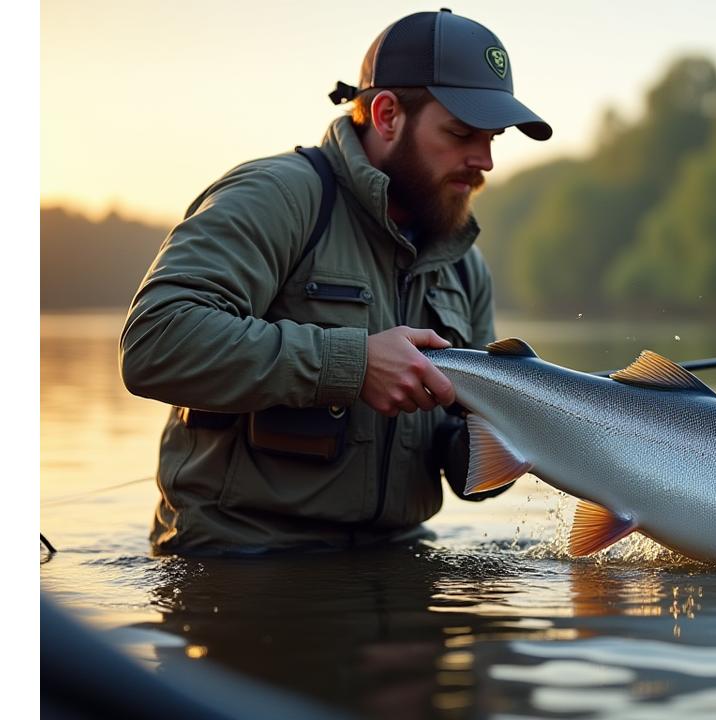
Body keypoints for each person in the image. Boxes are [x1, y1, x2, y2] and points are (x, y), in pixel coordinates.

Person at [119, 9, 552, 555]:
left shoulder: (464, 264)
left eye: (493, 138)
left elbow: (462, 464)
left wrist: (520, 434)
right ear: (387, 114)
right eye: (461, 133)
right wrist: (355, 364)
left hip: (398, 559)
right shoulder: (278, 197)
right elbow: (156, 342)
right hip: (240, 561)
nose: (484, 160)